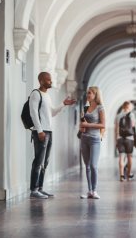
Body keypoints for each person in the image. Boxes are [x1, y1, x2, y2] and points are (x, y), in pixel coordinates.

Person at [29, 71, 76, 199]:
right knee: (38, 161)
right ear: (41, 81)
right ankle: (33, 189)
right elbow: (33, 113)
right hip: (41, 131)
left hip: (49, 131)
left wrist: (63, 104)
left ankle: (40, 188)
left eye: (50, 79)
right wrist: (39, 130)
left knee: (45, 161)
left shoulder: (47, 96)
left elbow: (52, 113)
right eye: (48, 80)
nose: (51, 82)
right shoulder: (35, 94)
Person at [79, 86, 105, 199]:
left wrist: (88, 125)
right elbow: (82, 125)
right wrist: (82, 127)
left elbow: (103, 125)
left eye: (89, 93)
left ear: (95, 95)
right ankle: (89, 191)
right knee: (87, 166)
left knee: (94, 165)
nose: (87, 95)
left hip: (95, 139)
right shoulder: (85, 108)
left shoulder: (100, 108)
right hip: (84, 139)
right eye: (87, 93)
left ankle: (94, 190)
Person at [115, 101, 136, 182]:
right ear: (128, 107)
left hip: (120, 138)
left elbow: (116, 129)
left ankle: (121, 176)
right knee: (129, 156)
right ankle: (129, 174)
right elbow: (133, 126)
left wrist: (116, 140)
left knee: (121, 157)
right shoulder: (132, 115)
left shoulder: (118, 115)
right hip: (129, 138)